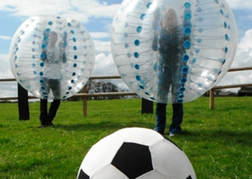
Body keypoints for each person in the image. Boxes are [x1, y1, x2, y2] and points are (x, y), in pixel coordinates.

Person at [152, 8, 188, 136]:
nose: (170, 21)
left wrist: (187, 19)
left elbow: (187, 44)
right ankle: (159, 128)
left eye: (172, 18)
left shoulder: (181, 32)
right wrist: (155, 27)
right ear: (164, 21)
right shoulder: (160, 33)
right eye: (167, 18)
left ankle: (175, 128)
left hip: (178, 69)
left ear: (176, 19)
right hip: (164, 70)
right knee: (161, 100)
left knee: (177, 100)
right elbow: (154, 47)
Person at [38, 31, 67, 128]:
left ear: (56, 38)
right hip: (45, 76)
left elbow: (64, 60)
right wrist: (43, 50)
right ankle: (43, 122)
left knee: (57, 98)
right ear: (49, 38)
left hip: (57, 77)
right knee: (43, 99)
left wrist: (63, 48)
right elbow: (41, 59)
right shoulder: (45, 49)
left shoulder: (59, 49)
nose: (53, 40)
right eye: (51, 38)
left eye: (54, 38)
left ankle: (49, 119)